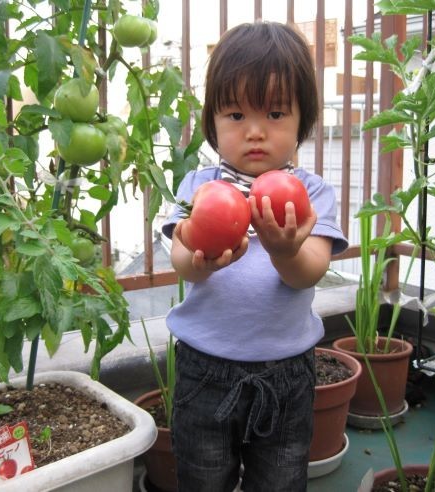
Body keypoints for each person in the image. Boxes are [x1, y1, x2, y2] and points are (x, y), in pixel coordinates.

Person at [161, 21, 348, 492]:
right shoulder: (198, 188)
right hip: (203, 366)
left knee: (282, 478)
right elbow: (181, 260)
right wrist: (197, 261)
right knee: (202, 477)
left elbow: (310, 272)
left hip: (286, 371)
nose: (256, 132)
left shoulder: (310, 194)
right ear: (213, 122)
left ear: (303, 120)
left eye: (276, 113)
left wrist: (286, 250)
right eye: (236, 116)